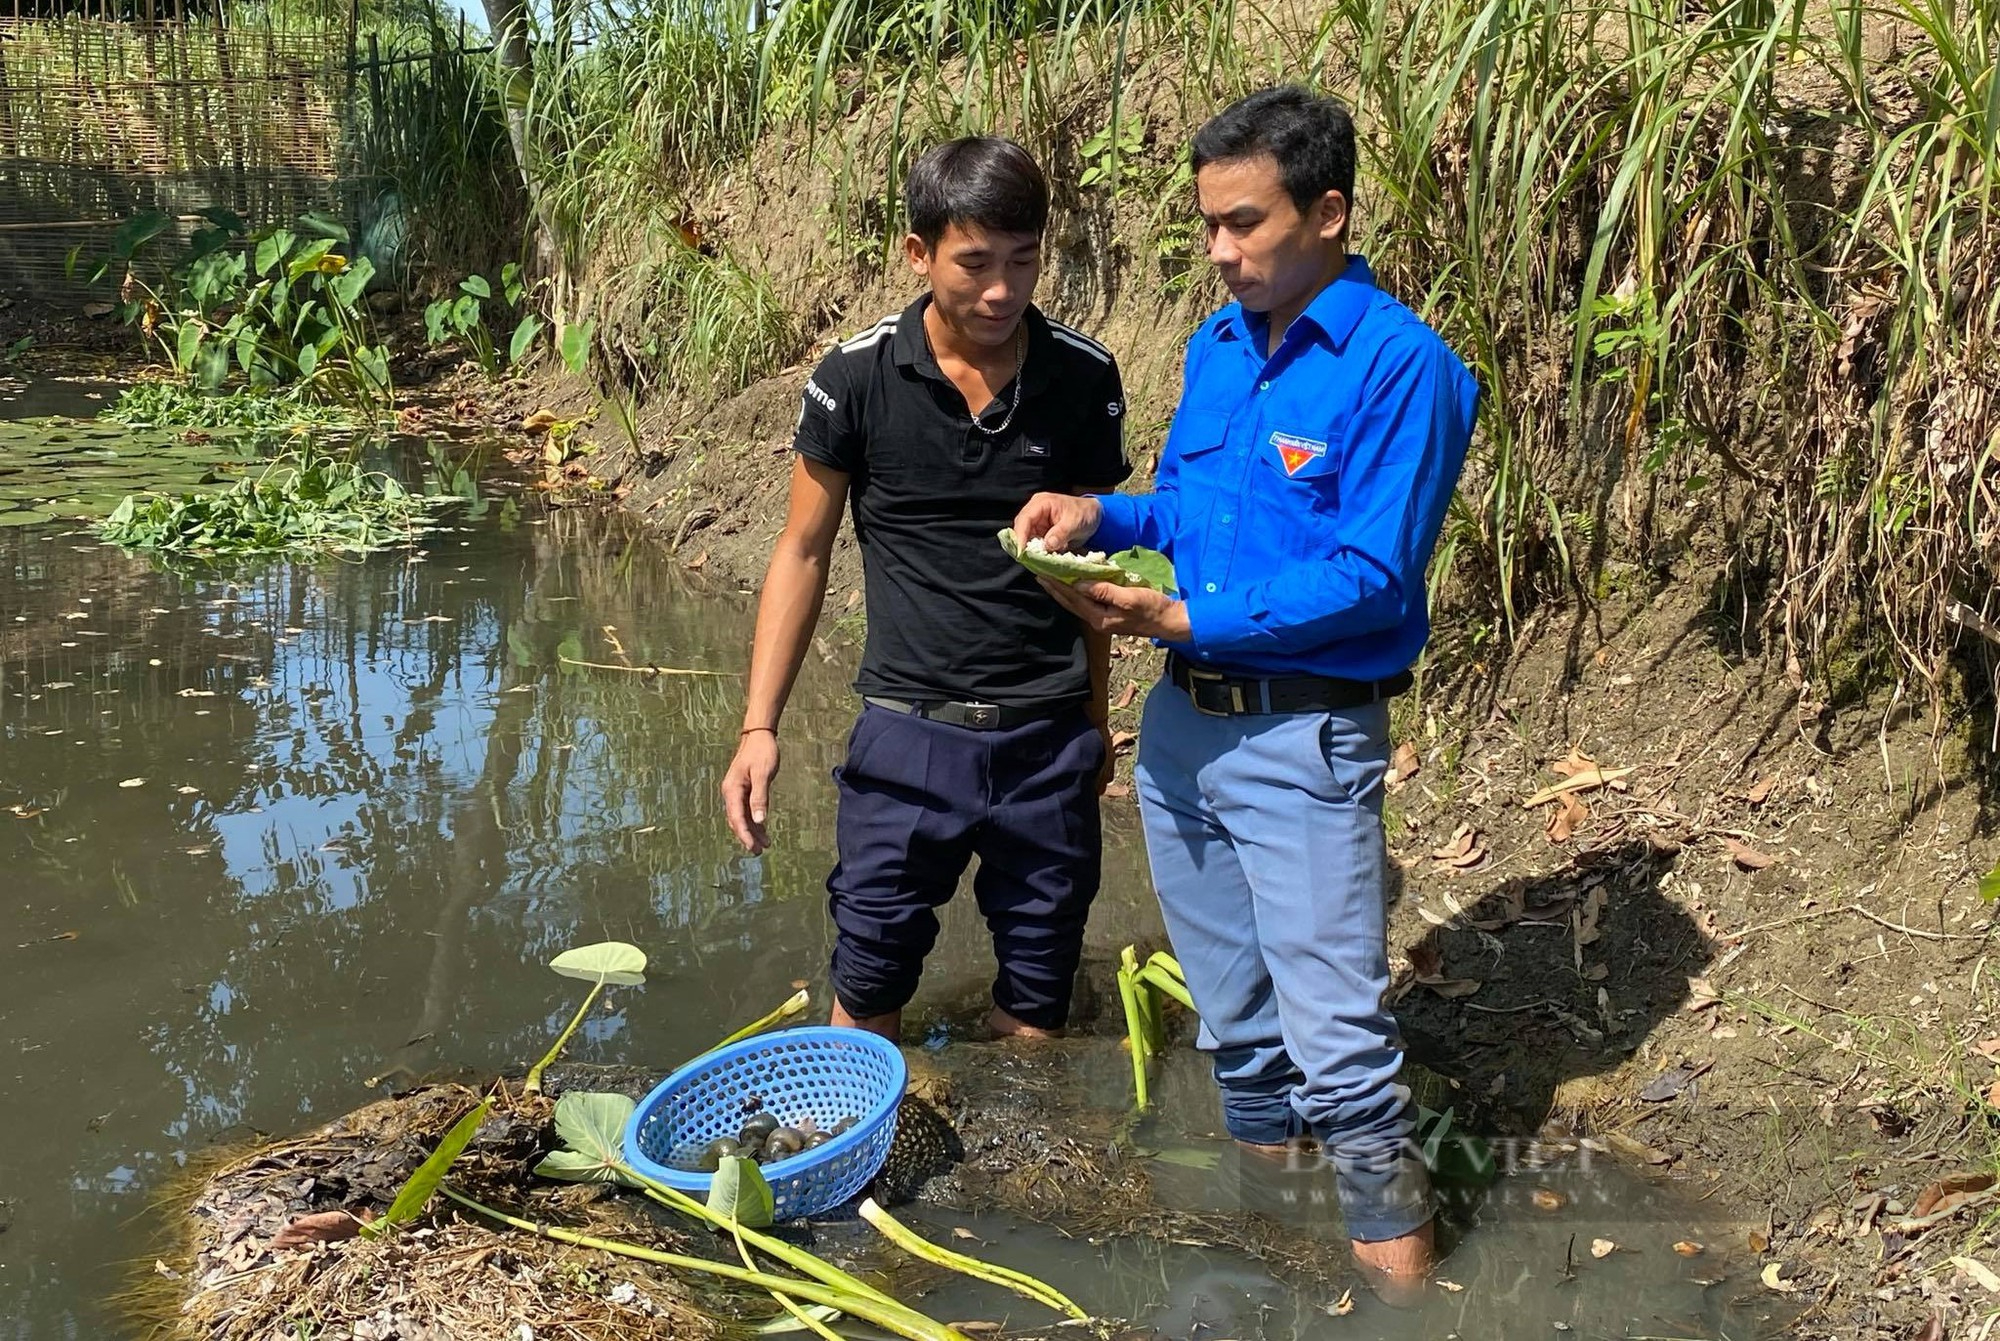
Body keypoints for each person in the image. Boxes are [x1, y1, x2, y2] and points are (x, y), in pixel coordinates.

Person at [1012, 87, 1479, 1302]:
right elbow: (1188, 511)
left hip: (1301, 738)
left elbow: (1372, 574)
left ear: (1327, 212)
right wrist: (1098, 514)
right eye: (1206, 227)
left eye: (1241, 224)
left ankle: (1403, 1304)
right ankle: (1266, 1249)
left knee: (1337, 1046)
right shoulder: (1220, 348)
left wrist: (1180, 615)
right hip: (1180, 733)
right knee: (1232, 1023)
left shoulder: (1399, 368)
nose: (1218, 252)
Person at [720, 136, 1131, 1044]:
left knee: (1037, 997)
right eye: (975, 264)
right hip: (906, 738)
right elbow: (801, 553)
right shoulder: (855, 377)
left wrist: (1097, 720)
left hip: (1047, 737)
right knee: (865, 985)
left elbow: (1094, 576)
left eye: (1023, 263)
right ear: (919, 253)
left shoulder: (1084, 378)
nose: (1002, 291)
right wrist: (760, 728)